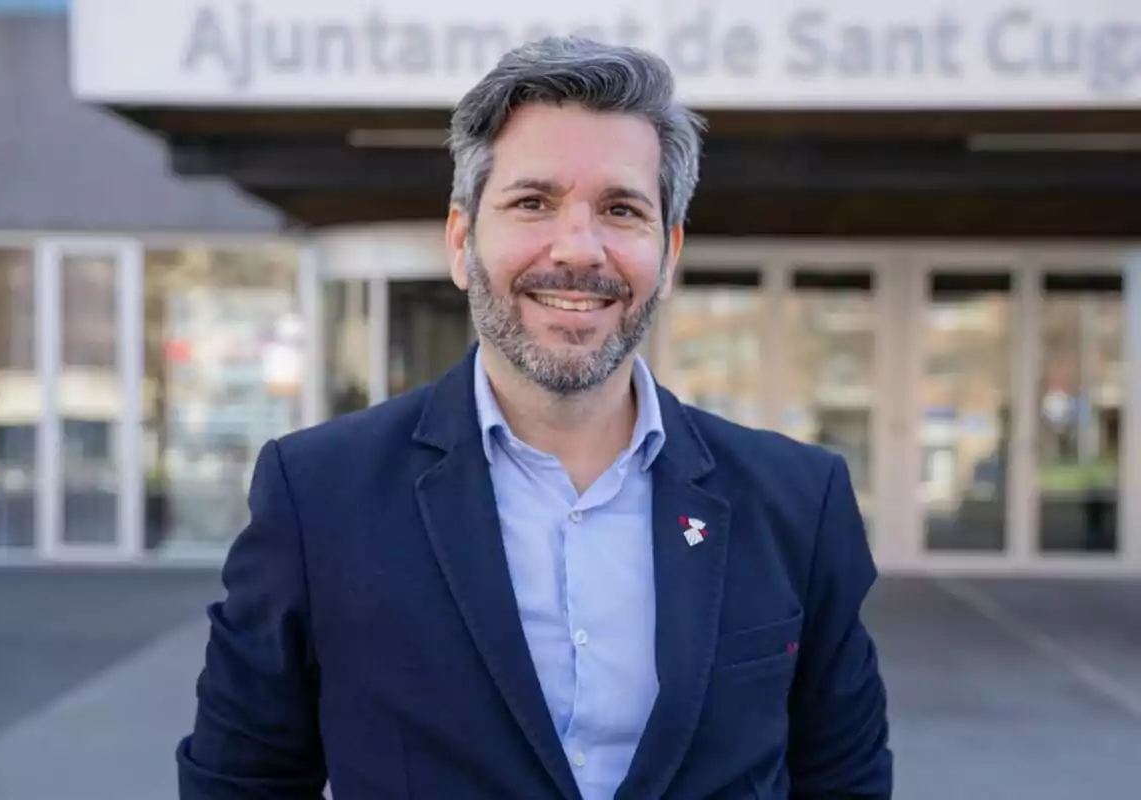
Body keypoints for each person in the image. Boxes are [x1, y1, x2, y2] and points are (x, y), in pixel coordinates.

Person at [176, 35, 893, 800]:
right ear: (462, 242)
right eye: (532, 203)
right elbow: (241, 782)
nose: (578, 249)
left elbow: (843, 780)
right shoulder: (317, 496)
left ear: (669, 250)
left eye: (622, 209)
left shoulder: (797, 502)